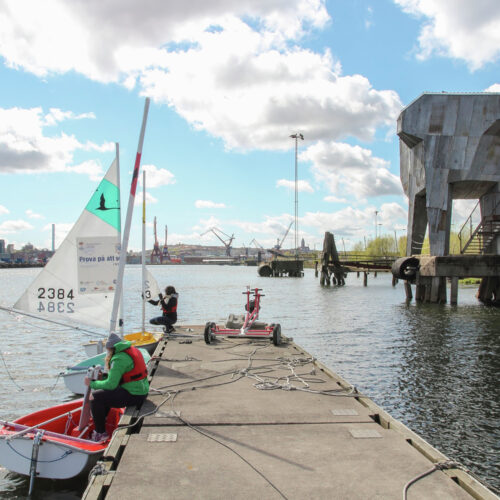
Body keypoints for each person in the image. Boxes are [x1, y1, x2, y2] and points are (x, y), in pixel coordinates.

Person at [84, 333, 149, 442]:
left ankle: (100, 433)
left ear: (110, 348)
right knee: (103, 394)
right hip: (141, 391)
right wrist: (103, 377)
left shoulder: (118, 359)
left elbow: (111, 385)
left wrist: (91, 383)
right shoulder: (131, 350)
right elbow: (119, 377)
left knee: (94, 397)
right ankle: (101, 421)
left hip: (135, 395)